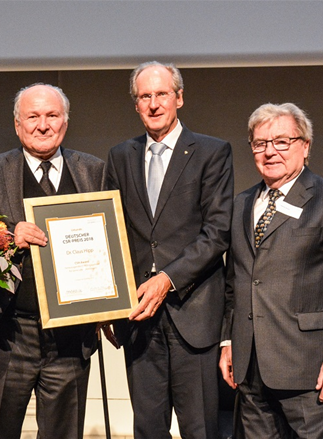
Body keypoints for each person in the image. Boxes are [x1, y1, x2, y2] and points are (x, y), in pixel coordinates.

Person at [219, 103, 323, 438]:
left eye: (281, 142)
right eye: (260, 143)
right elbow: (236, 281)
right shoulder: (240, 205)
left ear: (305, 146)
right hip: (250, 371)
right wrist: (229, 340)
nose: (269, 152)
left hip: (310, 371)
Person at [0, 83, 105, 439]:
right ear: (17, 125)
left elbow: (111, 244)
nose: (43, 125)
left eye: (52, 115)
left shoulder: (93, 171)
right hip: (9, 333)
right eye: (33, 116)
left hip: (71, 340)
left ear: (65, 122)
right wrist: (10, 236)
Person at [105, 61, 234, 438]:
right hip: (139, 318)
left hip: (192, 314)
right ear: (135, 104)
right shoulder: (120, 156)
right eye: (145, 96)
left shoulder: (212, 152)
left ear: (179, 97)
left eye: (162, 94)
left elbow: (217, 232)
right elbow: (113, 233)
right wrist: (106, 303)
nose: (154, 104)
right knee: (147, 428)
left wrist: (167, 280)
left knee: (200, 429)